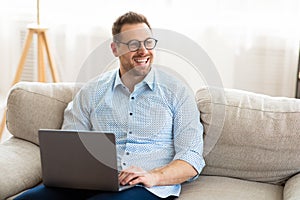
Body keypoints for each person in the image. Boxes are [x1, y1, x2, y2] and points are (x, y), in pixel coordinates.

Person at [15, 11, 205, 200]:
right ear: (115, 49)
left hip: (147, 188)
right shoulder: (91, 92)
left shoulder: (177, 92)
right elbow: (71, 145)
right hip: (89, 183)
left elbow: (192, 158)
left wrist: (153, 176)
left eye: (148, 42)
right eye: (133, 44)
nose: (143, 51)